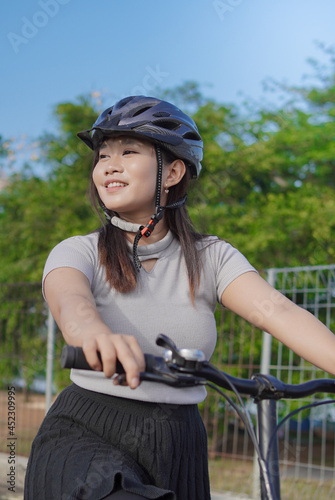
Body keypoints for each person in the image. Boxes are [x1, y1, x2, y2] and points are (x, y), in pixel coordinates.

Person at [24, 96, 335, 500]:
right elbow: (71, 303)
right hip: (87, 431)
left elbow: (274, 310)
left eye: (128, 152)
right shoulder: (77, 251)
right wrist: (94, 335)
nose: (109, 166)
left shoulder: (212, 257)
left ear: (172, 172)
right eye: (103, 156)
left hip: (178, 441)